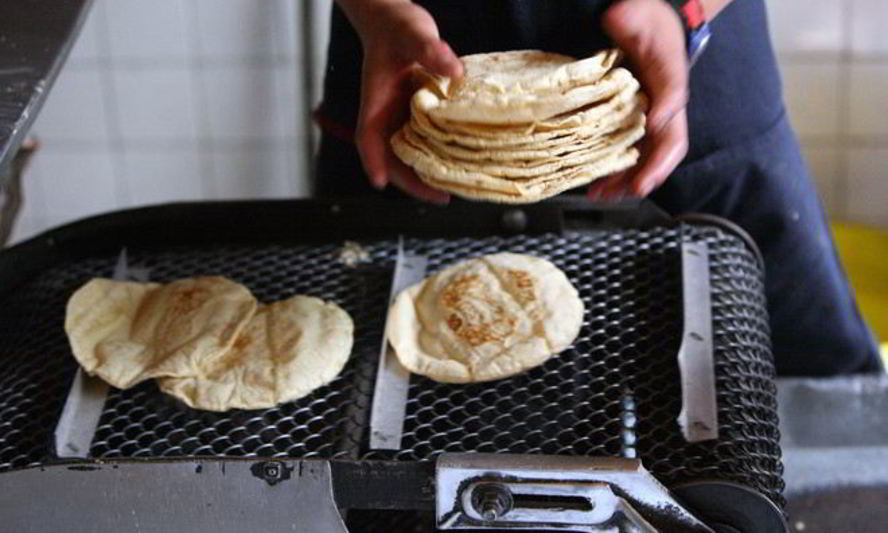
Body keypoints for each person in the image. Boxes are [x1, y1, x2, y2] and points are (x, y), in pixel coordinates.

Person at [314, 0, 882, 376]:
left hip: (684, 60)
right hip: (405, 59)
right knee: (358, 380)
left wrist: (686, 8)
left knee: (806, 385)